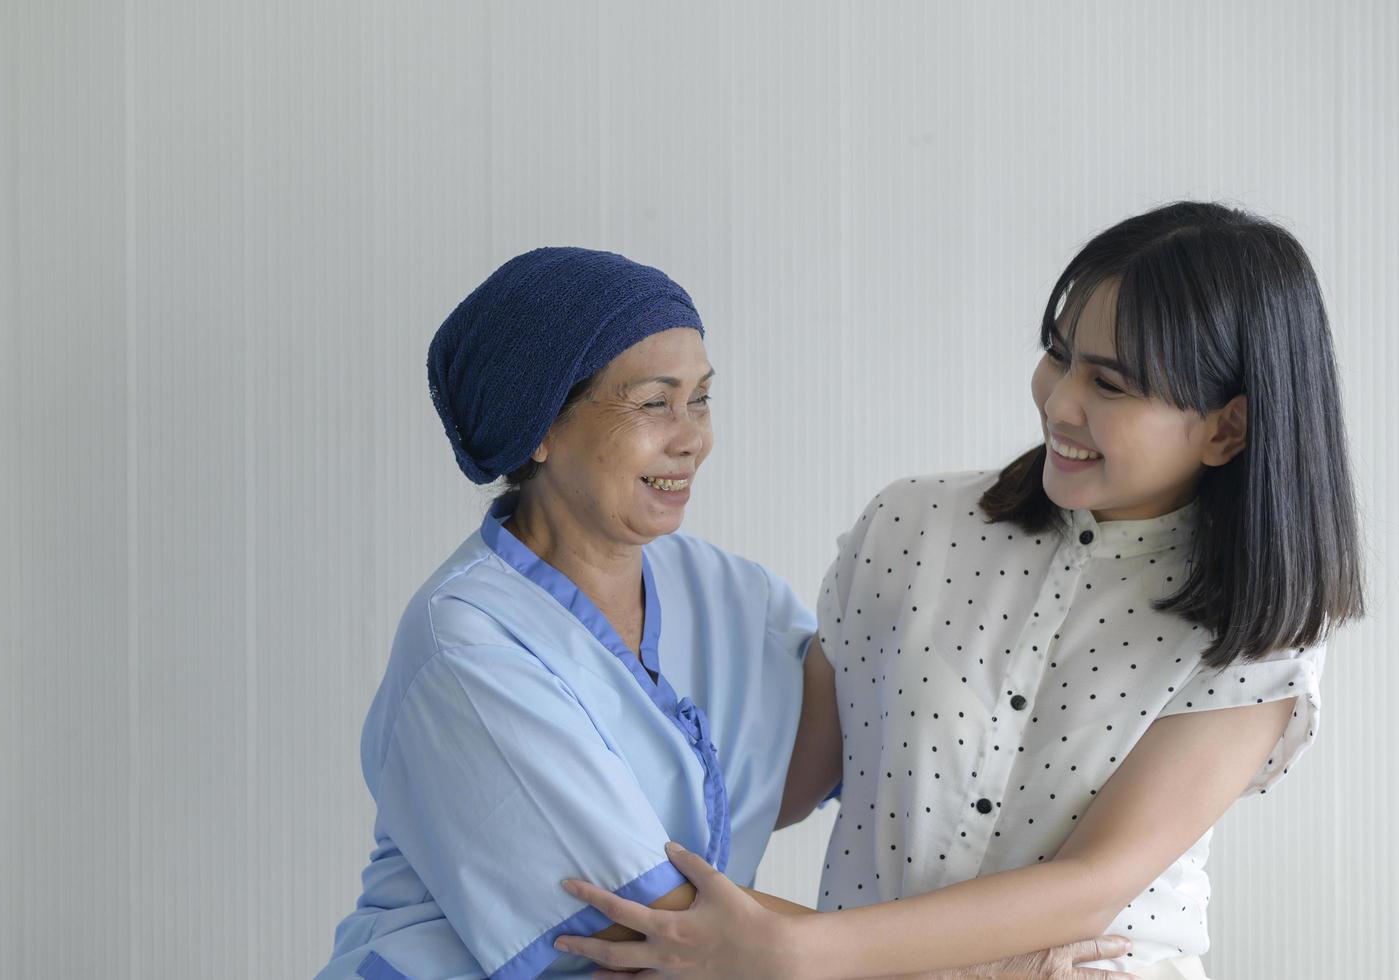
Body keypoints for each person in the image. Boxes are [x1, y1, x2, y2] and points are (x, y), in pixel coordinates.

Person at [556, 202, 1364, 980]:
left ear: (1225, 427)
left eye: (1111, 386)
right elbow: (779, 782)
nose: (1060, 402)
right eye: (1058, 355)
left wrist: (790, 955)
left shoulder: (1262, 628)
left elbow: (1091, 884)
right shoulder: (911, 525)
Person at [317, 248, 1125, 980]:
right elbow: (656, 923)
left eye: (701, 399)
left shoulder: (723, 591)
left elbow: (882, 734)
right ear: (540, 430)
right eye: (653, 404)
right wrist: (972, 970)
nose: (691, 439)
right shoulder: (466, 648)